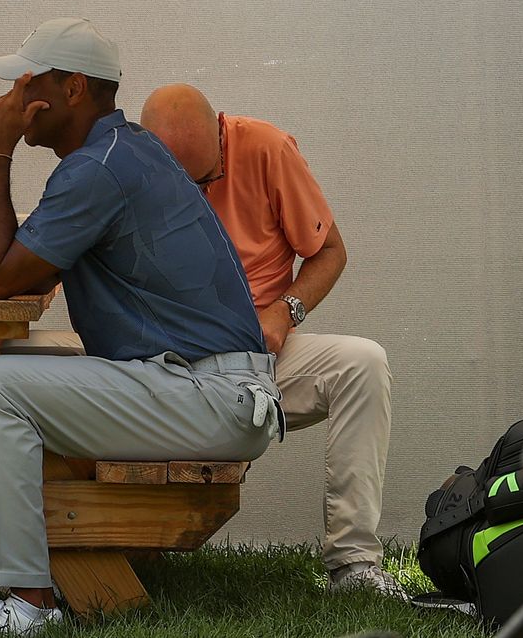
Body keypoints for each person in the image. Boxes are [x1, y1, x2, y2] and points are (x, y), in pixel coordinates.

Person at [0, 18, 282, 635]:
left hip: (210, 396)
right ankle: (26, 579)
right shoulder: (120, 151)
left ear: (72, 88)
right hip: (204, 386)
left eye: (27, 82)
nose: (14, 99)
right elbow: (27, 272)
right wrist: (4, 268)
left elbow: (4, 278)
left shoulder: (99, 167)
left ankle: (26, 602)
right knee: (13, 367)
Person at [139, 84, 403, 599]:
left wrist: (286, 311)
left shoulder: (266, 148)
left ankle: (354, 565)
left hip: (261, 355)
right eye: (182, 184)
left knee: (363, 364)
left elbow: (329, 251)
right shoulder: (128, 167)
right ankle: (81, 549)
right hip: (169, 365)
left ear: (220, 128)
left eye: (208, 177)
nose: (198, 193)